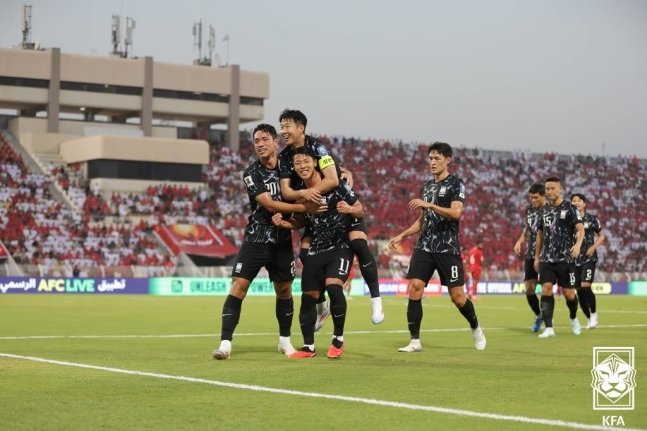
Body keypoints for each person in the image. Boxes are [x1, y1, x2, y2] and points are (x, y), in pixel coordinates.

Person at [212, 124, 323, 360]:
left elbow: (312, 166)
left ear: (275, 142)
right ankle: (225, 344)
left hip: (282, 241)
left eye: (264, 139)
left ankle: (285, 342)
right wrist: (303, 207)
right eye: (256, 141)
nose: (260, 144)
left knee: (284, 290)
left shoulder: (289, 166)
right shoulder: (251, 173)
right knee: (239, 286)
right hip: (256, 238)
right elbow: (269, 204)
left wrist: (342, 171)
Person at [277, 109, 384, 326]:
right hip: (317, 215)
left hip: (340, 206)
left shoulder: (318, 147)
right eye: (281, 126)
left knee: (359, 244)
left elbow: (334, 179)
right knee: (306, 256)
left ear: (301, 128)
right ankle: (322, 305)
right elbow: (287, 192)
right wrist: (305, 197)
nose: (283, 131)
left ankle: (376, 299)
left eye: (287, 126)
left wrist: (309, 195)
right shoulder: (285, 157)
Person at [387, 142, 486, 352]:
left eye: (437, 158)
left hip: (447, 248)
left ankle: (476, 327)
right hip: (424, 246)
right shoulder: (427, 186)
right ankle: (415, 341)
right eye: (430, 158)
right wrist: (402, 235)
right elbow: (423, 220)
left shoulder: (456, 184)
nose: (432, 162)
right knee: (415, 287)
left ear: (447, 160)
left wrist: (430, 205)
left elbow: (456, 213)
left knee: (458, 297)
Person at [273, 147, 363, 359]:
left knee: (333, 285)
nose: (302, 166)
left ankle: (338, 339)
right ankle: (308, 348)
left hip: (340, 246)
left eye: (306, 161)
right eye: (297, 163)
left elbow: (359, 208)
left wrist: (349, 210)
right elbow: (300, 222)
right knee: (308, 297)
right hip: (317, 248)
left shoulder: (337, 186)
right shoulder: (300, 195)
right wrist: (284, 222)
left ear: (315, 163)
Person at [533, 176, 584, 338]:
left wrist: (577, 245)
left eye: (552, 188)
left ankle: (574, 318)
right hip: (547, 259)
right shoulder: (544, 210)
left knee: (569, 294)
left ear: (560, 189)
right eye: (547, 189)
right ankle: (549, 328)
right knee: (546, 289)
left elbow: (581, 229)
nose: (549, 191)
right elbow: (540, 234)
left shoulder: (570, 208)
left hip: (565, 259)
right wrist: (536, 257)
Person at [513, 183, 547, 332]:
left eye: (536, 197)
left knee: (548, 288)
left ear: (543, 196)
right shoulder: (529, 210)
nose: (533, 200)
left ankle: (566, 317)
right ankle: (539, 315)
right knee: (529, 288)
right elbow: (528, 228)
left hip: (547, 254)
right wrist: (521, 240)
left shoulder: (550, 211)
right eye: (531, 197)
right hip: (531, 253)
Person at [570, 193, 605, 329]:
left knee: (585, 285)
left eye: (579, 201)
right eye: (574, 201)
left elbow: (601, 236)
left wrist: (594, 247)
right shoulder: (569, 221)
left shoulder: (592, 219)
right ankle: (590, 318)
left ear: (584, 204)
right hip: (574, 259)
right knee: (579, 290)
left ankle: (594, 313)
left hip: (589, 257)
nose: (576, 203)